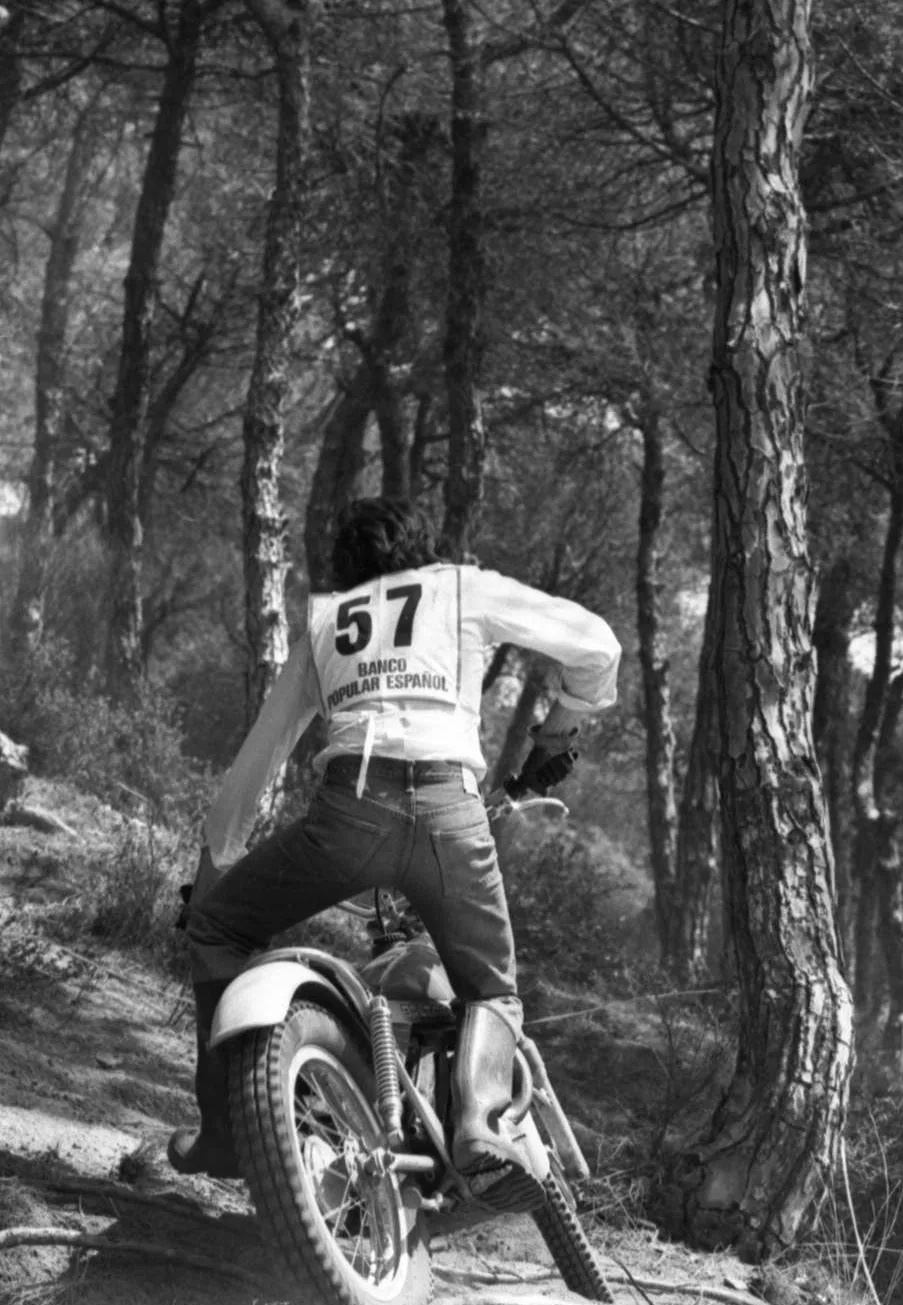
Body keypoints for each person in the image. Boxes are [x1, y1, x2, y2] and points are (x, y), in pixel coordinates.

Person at [172, 496, 621, 1181]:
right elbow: (599, 645)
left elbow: (260, 757)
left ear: (345, 567)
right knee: (490, 989)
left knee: (218, 929)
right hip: (451, 815)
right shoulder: (461, 586)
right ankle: (479, 1123)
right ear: (423, 548)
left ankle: (228, 1133)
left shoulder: (327, 621)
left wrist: (213, 872)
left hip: (350, 814)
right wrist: (557, 732)